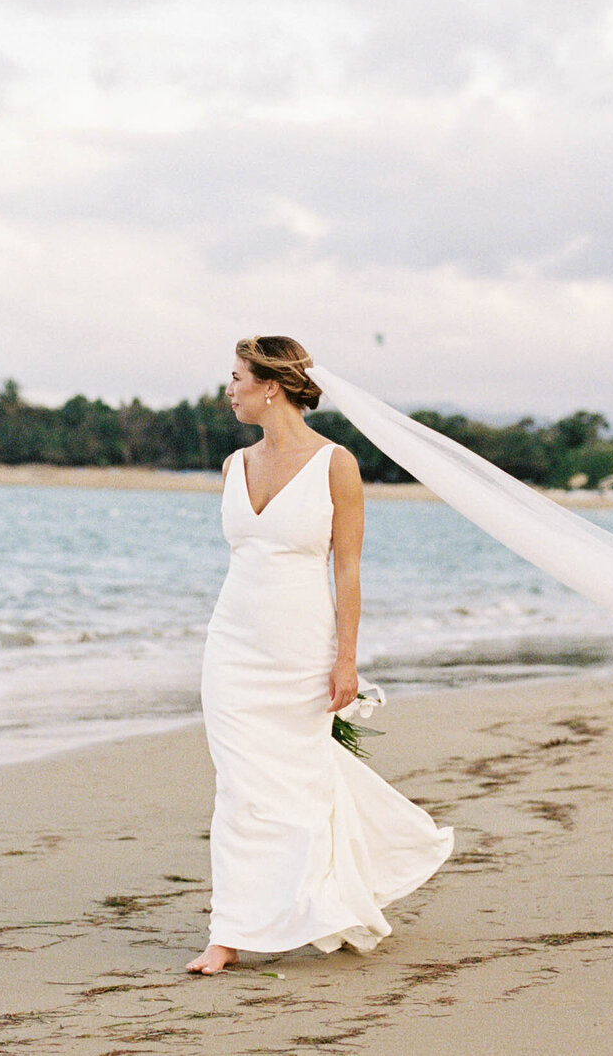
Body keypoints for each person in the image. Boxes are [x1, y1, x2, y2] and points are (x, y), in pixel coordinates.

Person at [185, 337, 453, 976]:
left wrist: (347, 661)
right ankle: (230, 932)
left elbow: (349, 567)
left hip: (301, 647)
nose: (229, 389)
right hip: (232, 647)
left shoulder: (337, 465)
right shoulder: (233, 465)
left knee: (299, 781)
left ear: (270, 385)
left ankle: (319, 898)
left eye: (237, 377)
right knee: (239, 787)